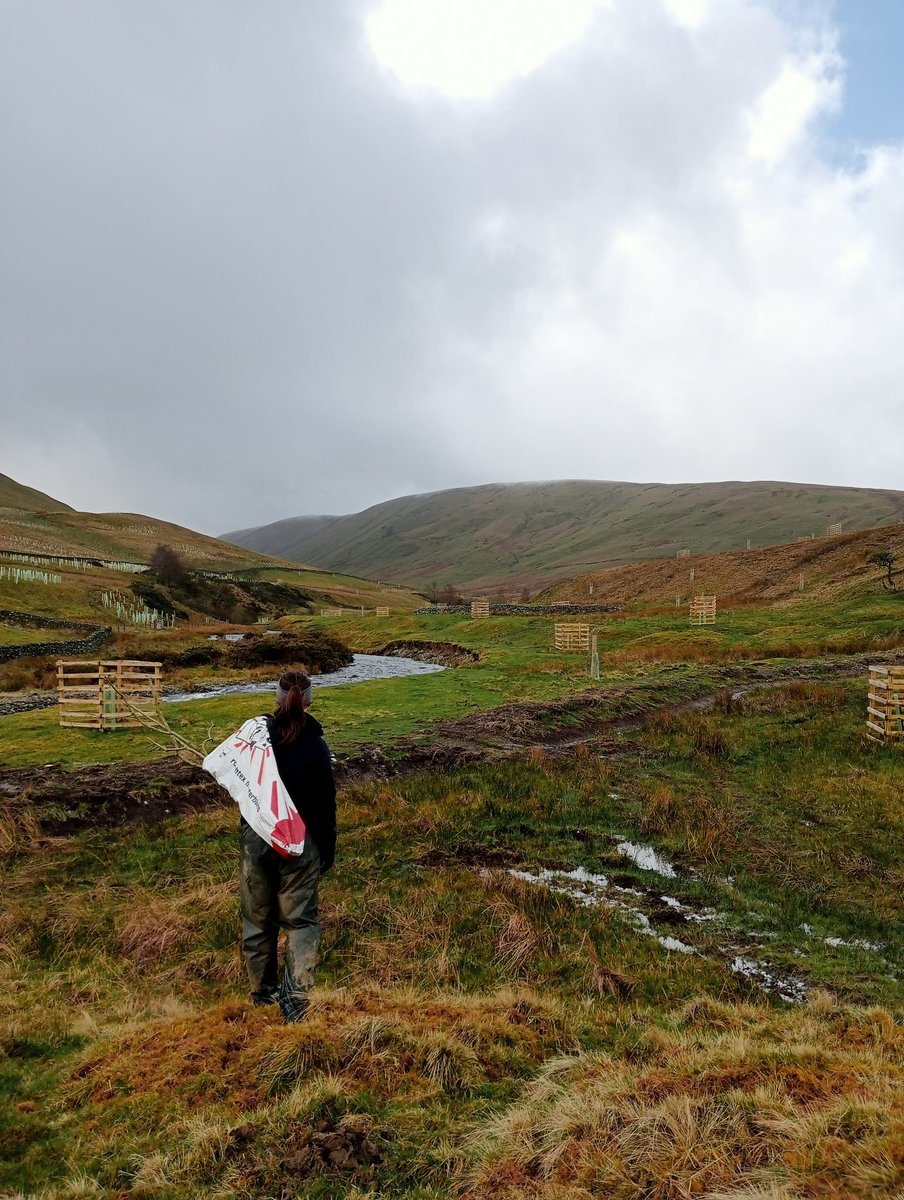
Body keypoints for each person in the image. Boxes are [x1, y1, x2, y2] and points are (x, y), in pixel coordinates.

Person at [239, 669, 336, 1022]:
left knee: (258, 921)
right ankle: (296, 1003)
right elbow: (325, 806)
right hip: (301, 844)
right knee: (301, 923)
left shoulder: (257, 740)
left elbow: (242, 786)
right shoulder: (316, 746)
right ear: (310, 701)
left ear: (277, 698)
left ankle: (262, 998)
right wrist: (326, 852)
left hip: (257, 839)